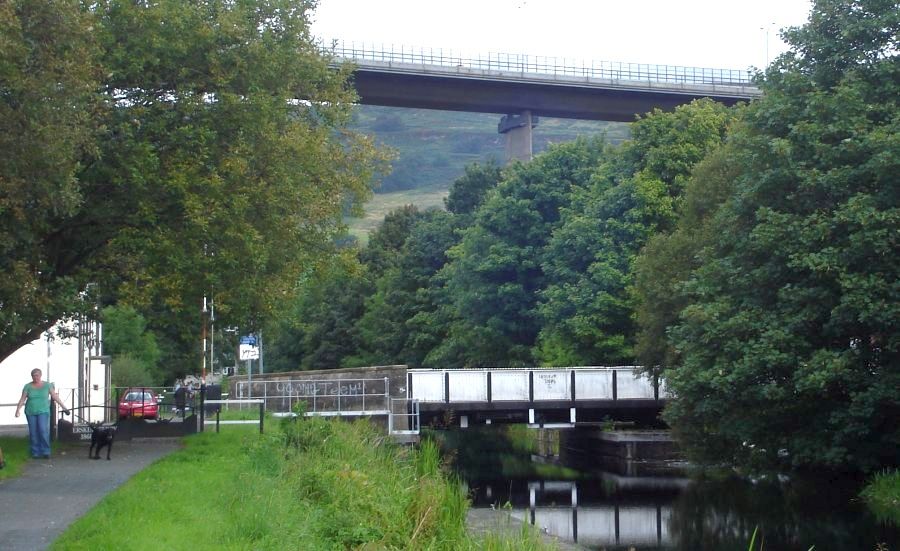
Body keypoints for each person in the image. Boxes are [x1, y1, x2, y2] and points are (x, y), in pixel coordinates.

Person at [14, 368, 69, 459]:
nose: (35, 377)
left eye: (37, 375)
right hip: (30, 411)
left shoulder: (47, 385)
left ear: (40, 375)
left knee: (43, 430)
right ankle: (35, 452)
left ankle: (46, 451)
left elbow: (54, 396)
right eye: (33, 376)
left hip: (43, 411)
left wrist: (64, 407)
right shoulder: (27, 386)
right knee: (33, 432)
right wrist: (17, 410)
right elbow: (23, 398)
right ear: (31, 376)